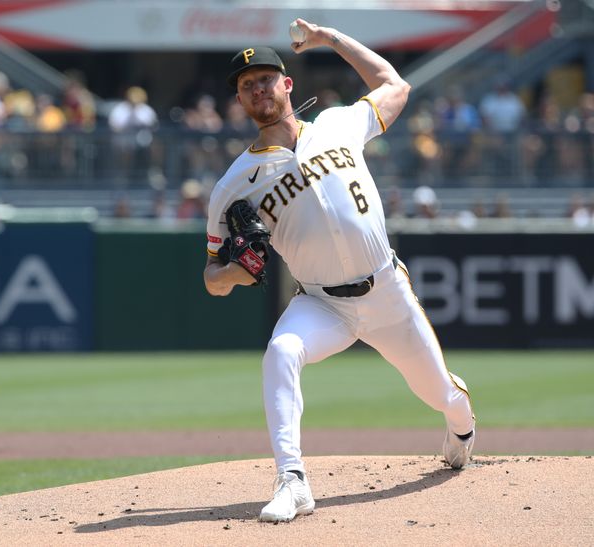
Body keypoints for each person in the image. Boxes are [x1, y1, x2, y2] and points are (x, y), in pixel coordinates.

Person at [203, 20, 476, 523]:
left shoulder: (337, 124)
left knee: (440, 393)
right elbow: (212, 278)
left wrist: (330, 38)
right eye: (247, 85)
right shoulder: (232, 184)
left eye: (266, 78)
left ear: (287, 84)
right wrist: (236, 274)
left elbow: (397, 85)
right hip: (322, 302)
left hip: (387, 291)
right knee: (282, 350)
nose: (258, 88)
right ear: (240, 101)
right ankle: (292, 481)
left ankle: (461, 426)